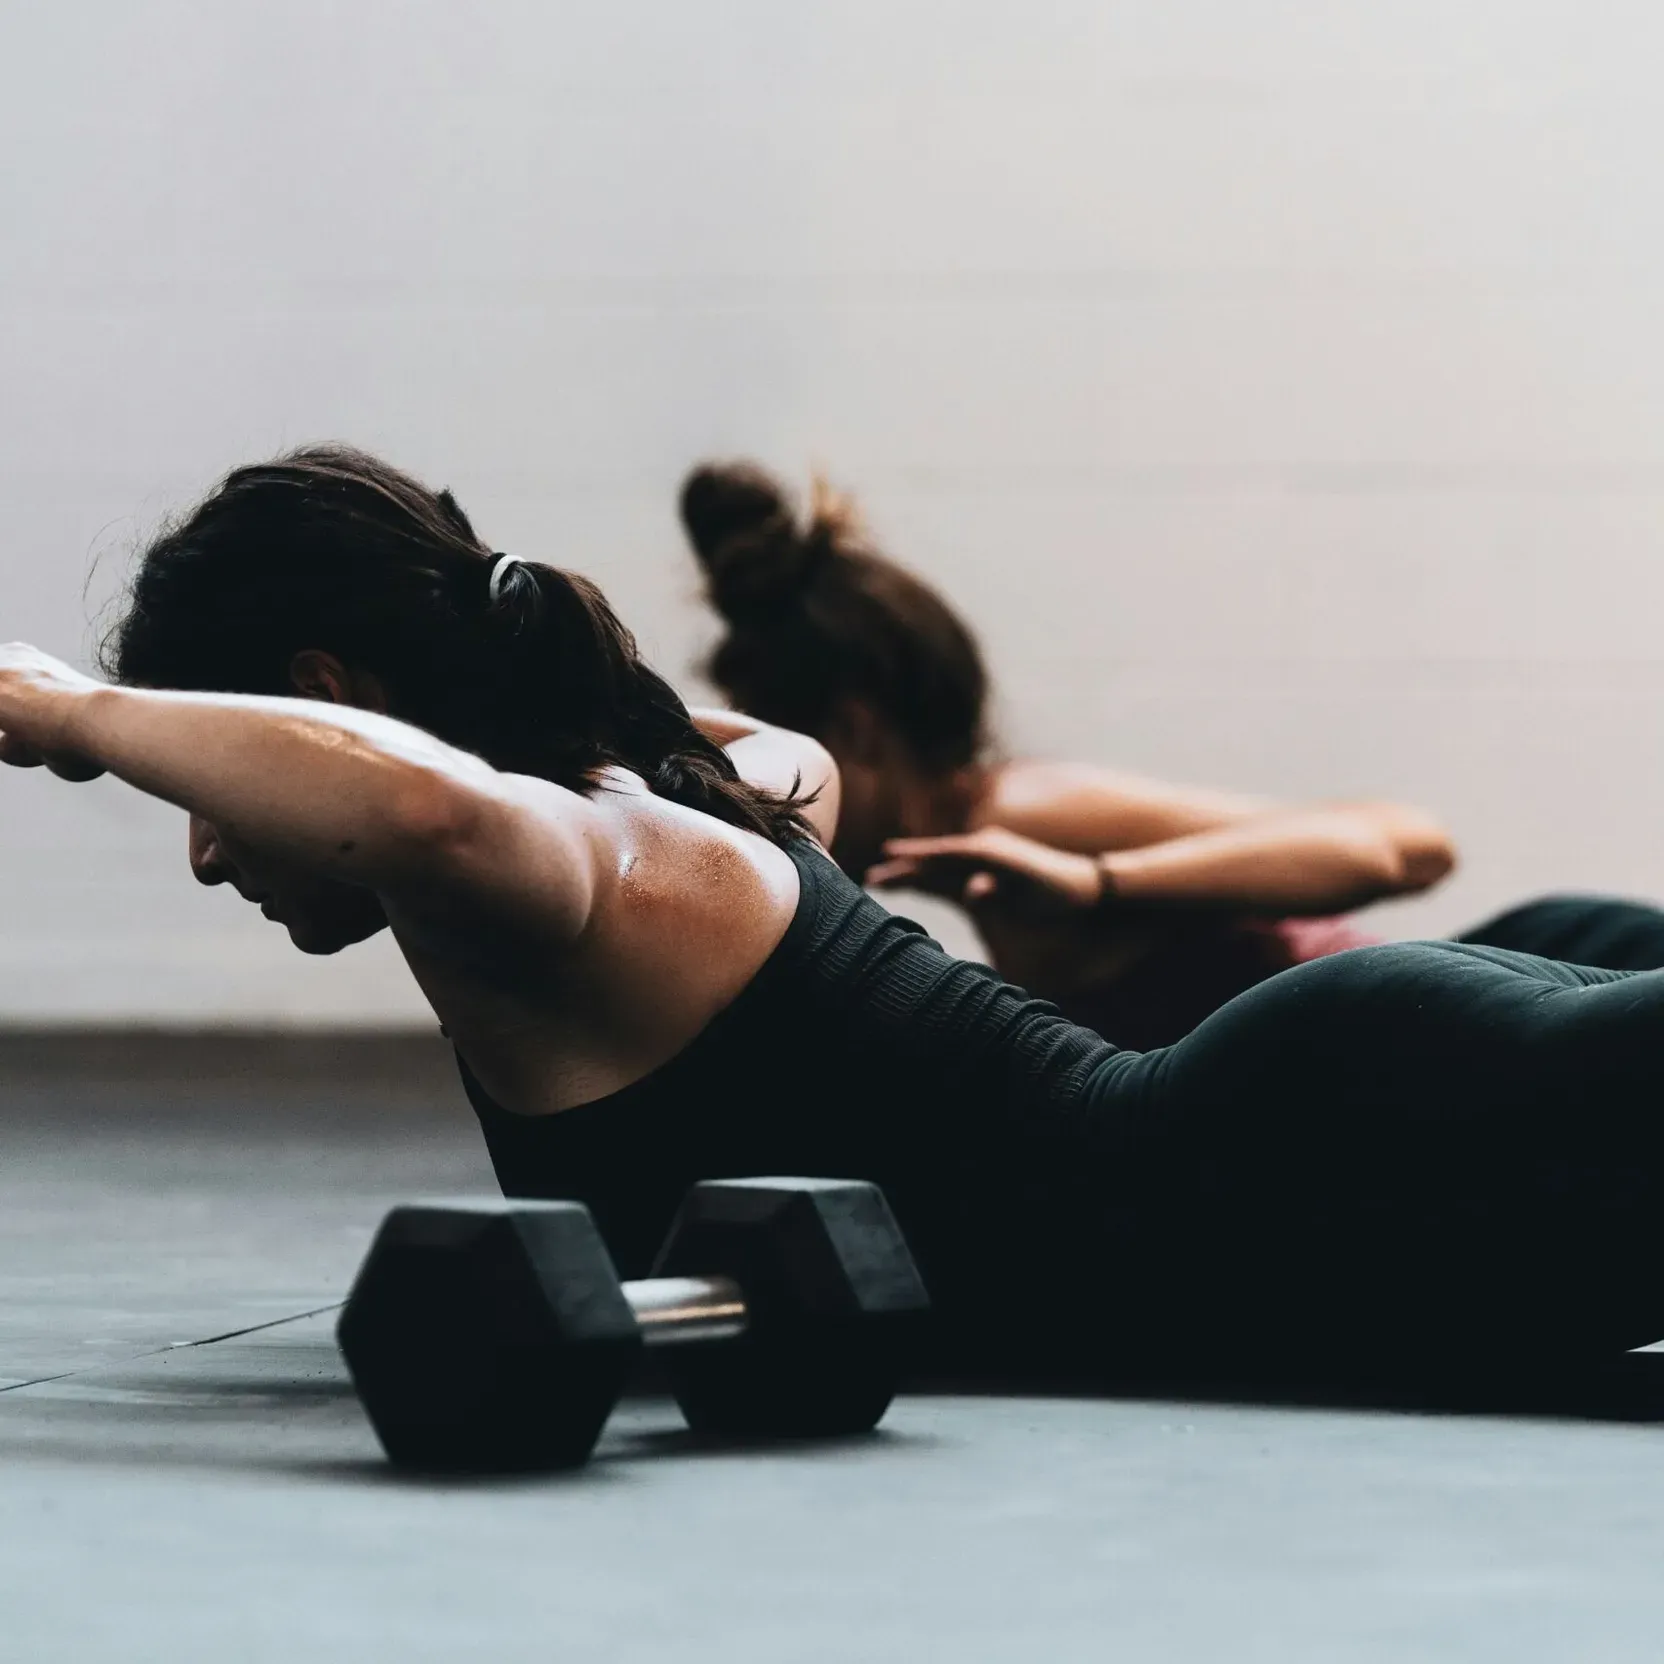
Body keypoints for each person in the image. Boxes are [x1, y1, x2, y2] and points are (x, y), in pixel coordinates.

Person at [8, 444, 1664, 1382]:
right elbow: (460, 770)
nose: (209, 849)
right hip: (1332, 1206)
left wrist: (70, 712)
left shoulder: (573, 866)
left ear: (319, 698)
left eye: (209, 786)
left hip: (1322, 1162)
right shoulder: (726, 784)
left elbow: (421, 801)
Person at [680, 462, 1664, 1048]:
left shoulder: (1022, 815)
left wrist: (1100, 883)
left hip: (1538, 987)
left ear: (853, 731)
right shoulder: (991, 859)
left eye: (775, 758)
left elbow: (1401, 846)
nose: (764, 796)